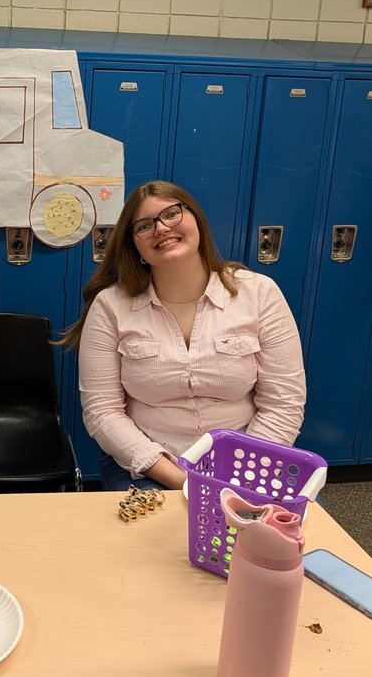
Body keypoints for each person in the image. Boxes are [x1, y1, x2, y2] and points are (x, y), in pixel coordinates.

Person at [62, 181, 306, 492]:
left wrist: (237, 476)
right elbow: (103, 411)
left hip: (251, 464)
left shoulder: (258, 294)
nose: (161, 228)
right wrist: (184, 482)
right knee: (157, 540)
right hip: (152, 468)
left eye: (171, 214)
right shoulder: (111, 306)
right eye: (144, 226)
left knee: (295, 538)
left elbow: (283, 403)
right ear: (133, 245)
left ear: (196, 219)